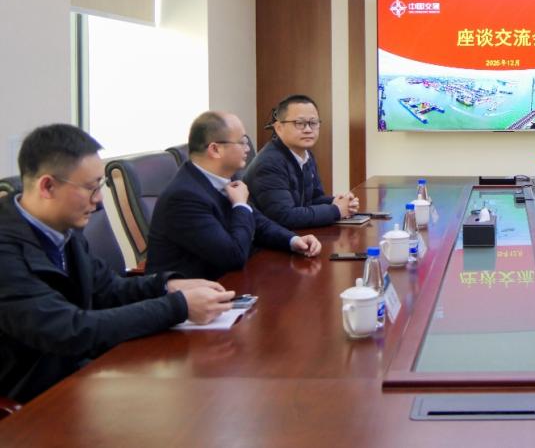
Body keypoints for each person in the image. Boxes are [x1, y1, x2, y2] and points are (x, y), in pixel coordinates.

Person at [0, 124, 233, 403]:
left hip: (80, 375)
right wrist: (179, 306)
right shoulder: (6, 251)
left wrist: (167, 285)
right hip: (32, 401)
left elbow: (108, 288)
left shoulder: (64, 230)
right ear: (47, 186)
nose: (99, 202)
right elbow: (69, 329)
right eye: (90, 188)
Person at [147, 111, 322, 280]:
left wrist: (293, 240)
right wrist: (240, 205)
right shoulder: (184, 197)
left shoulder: (220, 177)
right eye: (242, 142)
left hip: (228, 281)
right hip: (195, 292)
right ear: (215, 149)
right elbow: (233, 256)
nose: (248, 148)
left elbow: (258, 223)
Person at [244, 94, 359, 229]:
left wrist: (337, 202)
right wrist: (336, 210)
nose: (308, 129)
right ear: (279, 128)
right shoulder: (269, 163)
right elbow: (284, 217)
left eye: (313, 123)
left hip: (298, 235)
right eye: (299, 123)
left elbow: (312, 200)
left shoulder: (306, 155)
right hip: (268, 240)